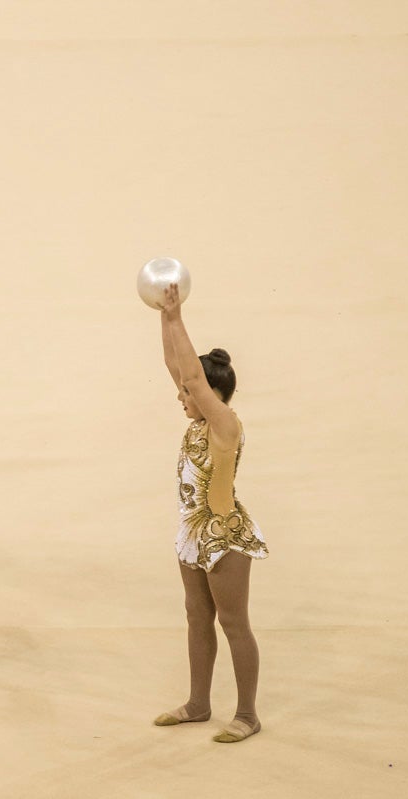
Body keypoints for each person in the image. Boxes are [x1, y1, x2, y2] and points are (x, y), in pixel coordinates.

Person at [153, 283, 269, 743]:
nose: (180, 396)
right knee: (196, 617)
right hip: (193, 535)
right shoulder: (200, 419)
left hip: (225, 534)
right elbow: (175, 367)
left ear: (211, 396)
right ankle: (198, 704)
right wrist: (162, 317)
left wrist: (179, 317)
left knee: (233, 622)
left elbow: (194, 381)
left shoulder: (224, 424)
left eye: (189, 393)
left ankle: (247, 714)